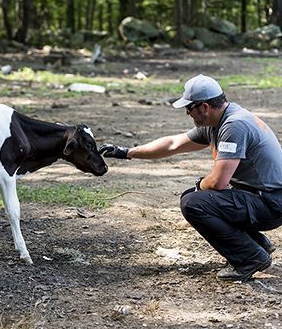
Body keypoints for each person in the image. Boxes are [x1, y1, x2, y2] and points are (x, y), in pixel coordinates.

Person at [99, 74, 282, 282]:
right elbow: (173, 144)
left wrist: (200, 186)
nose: (187, 113)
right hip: (261, 197)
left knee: (194, 203)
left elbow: (219, 181)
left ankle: (250, 257)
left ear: (204, 107)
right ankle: (256, 244)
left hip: (271, 203)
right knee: (197, 198)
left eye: (189, 108)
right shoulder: (218, 121)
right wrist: (127, 152)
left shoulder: (234, 126)